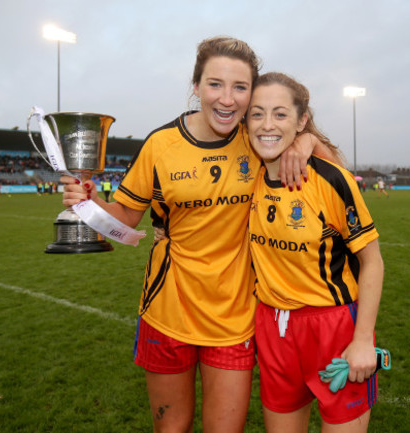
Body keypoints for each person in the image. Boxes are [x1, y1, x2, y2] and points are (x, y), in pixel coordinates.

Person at [60, 36, 340, 433]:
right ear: (196, 87)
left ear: (251, 94)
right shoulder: (161, 144)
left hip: (234, 316)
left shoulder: (260, 139)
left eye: (240, 87)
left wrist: (307, 140)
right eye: (215, 84)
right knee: (171, 428)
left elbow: (337, 175)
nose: (227, 99)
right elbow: (126, 215)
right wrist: (88, 202)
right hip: (166, 307)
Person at [246, 72, 384, 432]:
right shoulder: (246, 175)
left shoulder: (330, 180)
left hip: (334, 328)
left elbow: (372, 262)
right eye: (257, 114)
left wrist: (363, 340)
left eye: (280, 114)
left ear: (301, 119)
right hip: (273, 328)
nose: (267, 125)